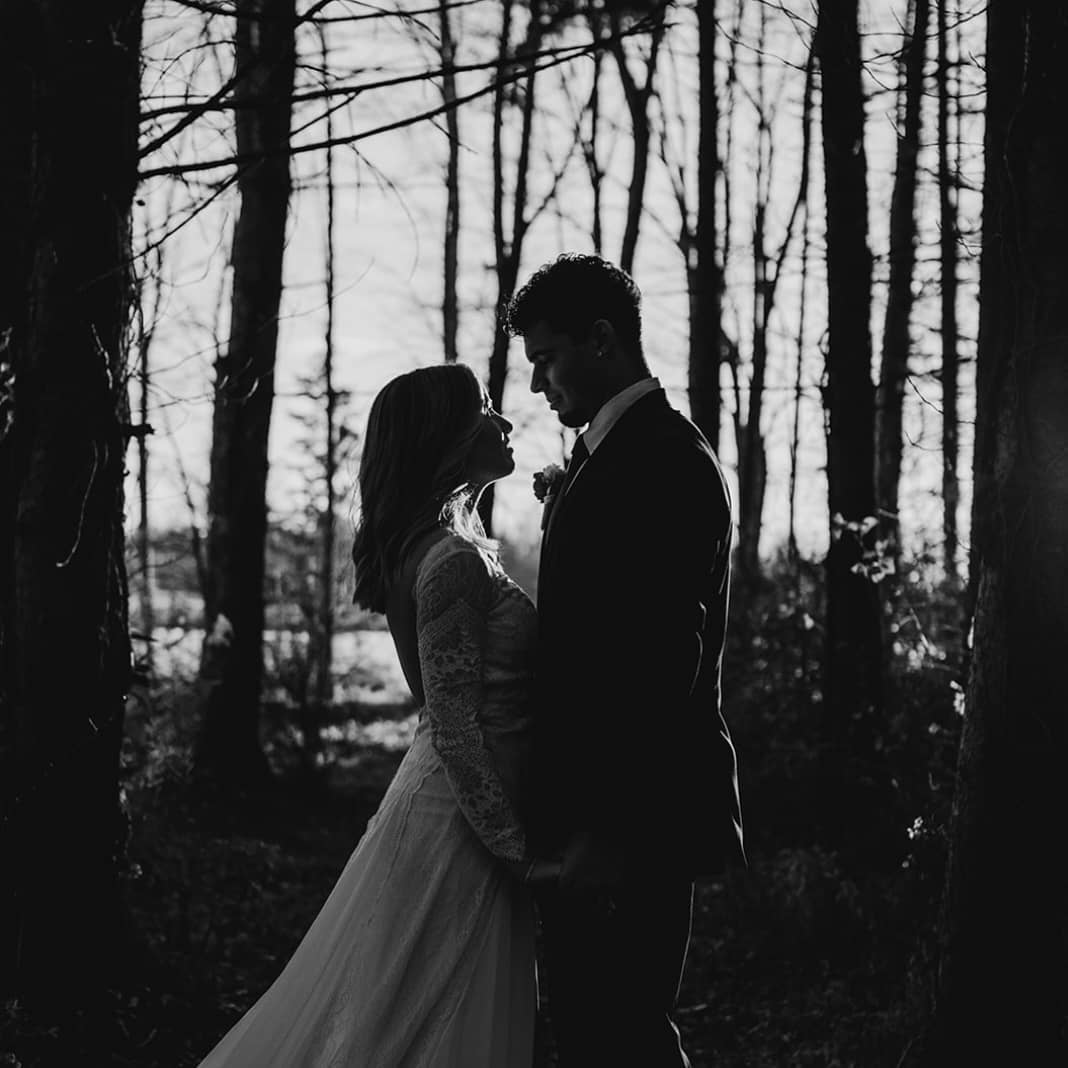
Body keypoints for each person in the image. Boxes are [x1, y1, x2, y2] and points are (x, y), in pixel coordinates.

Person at [196, 363, 558, 1068]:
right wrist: (521, 854)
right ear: (447, 438)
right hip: (461, 827)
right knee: (414, 1022)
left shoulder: (433, 548)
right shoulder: (450, 560)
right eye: (485, 408)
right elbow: (453, 725)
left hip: (457, 811)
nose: (505, 421)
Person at [508, 253, 746, 1067]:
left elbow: (654, 664)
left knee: (623, 1032)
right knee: (590, 1027)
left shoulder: (666, 460)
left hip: (633, 817)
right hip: (594, 812)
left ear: (601, 340)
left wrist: (604, 828)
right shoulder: (610, 455)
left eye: (547, 358)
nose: (539, 385)